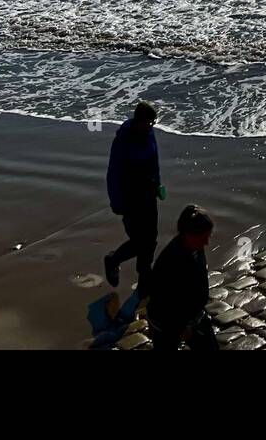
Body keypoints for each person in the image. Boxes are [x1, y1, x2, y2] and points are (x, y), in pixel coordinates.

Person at [104, 101, 163, 294]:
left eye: (153, 123)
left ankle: (145, 277)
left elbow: (154, 162)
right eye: (149, 123)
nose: (151, 126)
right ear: (139, 121)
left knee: (151, 238)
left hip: (148, 194)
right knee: (140, 241)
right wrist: (116, 202)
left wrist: (158, 184)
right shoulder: (123, 140)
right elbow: (113, 173)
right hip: (130, 198)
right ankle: (113, 260)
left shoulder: (149, 134)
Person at [147, 205, 218, 351]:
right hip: (166, 323)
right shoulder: (171, 262)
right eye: (203, 238)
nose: (207, 243)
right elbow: (164, 303)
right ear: (188, 235)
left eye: (208, 237)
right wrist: (181, 328)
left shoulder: (196, 247)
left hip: (195, 316)